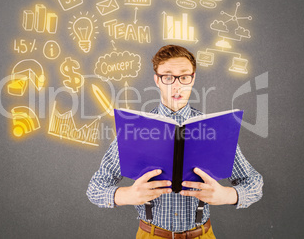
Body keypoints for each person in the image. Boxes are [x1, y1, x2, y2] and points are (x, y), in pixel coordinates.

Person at [87, 45, 263, 239]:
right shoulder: (135, 128)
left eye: (184, 77)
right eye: (168, 77)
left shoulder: (214, 129)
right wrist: (127, 195)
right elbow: (95, 188)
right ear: (157, 80)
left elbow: (254, 183)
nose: (176, 85)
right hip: (151, 235)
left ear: (193, 79)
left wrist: (228, 195)